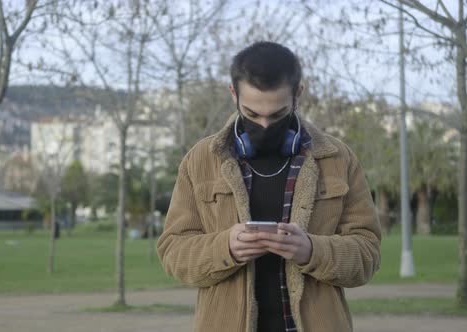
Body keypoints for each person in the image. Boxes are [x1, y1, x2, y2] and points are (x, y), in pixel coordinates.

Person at [156, 41, 381, 332]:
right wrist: (226, 247)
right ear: (233, 93)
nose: (263, 124)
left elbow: (368, 255)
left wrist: (312, 250)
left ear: (298, 93)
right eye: (251, 114)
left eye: (277, 115)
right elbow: (173, 253)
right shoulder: (200, 160)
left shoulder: (339, 159)